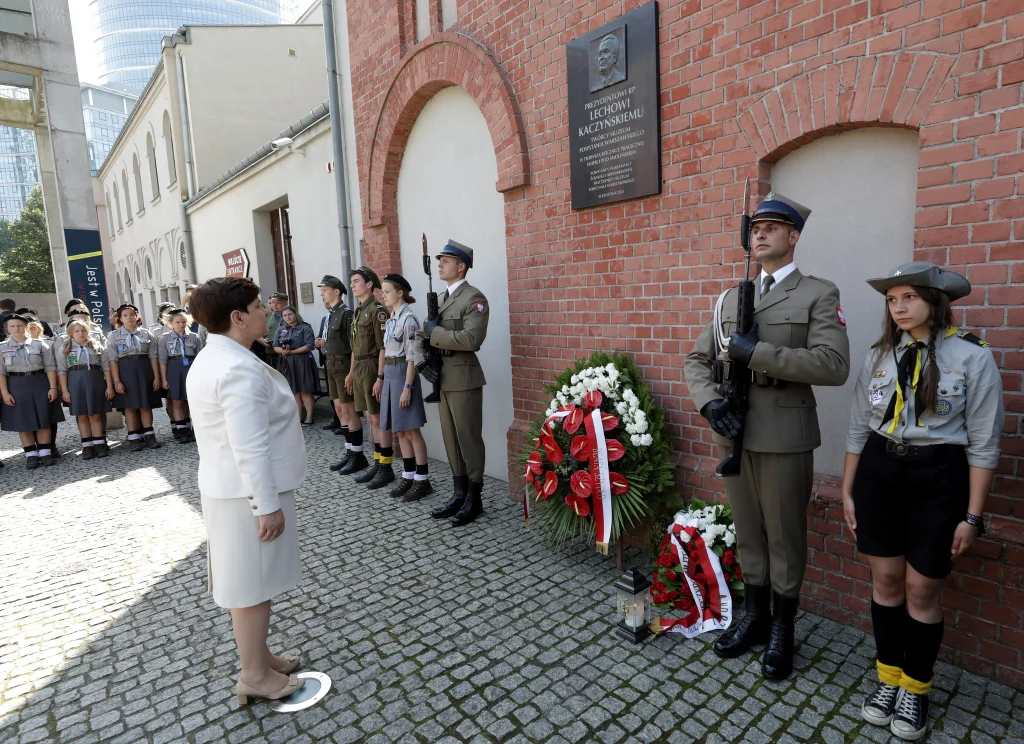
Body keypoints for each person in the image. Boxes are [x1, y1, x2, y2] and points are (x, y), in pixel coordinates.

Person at [683, 193, 851, 680]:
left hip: (784, 434)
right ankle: (755, 617)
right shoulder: (731, 297)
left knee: (784, 537)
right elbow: (697, 359)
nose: (760, 234)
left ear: (793, 237)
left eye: (772, 227)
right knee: (750, 532)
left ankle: (783, 630)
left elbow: (833, 365)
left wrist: (757, 353)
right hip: (734, 432)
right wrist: (710, 404)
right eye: (755, 227)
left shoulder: (817, 293)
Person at [842, 262, 1002, 741]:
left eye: (909, 297)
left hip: (939, 476)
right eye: (892, 300)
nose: (899, 307)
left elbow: (984, 441)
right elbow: (856, 426)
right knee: (886, 580)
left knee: (921, 590)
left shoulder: (971, 356)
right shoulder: (879, 356)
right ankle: (888, 679)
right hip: (879, 472)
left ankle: (916, 688)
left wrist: (972, 515)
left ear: (935, 301)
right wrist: (848, 491)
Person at [187, 277, 305, 706]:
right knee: (251, 587)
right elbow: (249, 445)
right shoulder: (236, 367)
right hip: (247, 496)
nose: (266, 312)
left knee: (254, 582)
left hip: (231, 492)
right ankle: (254, 674)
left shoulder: (216, 355)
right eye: (258, 306)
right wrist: (267, 506)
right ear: (237, 318)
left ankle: (260, 657)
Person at [420, 241, 490, 527]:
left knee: (468, 438)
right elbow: (426, 336)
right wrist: (425, 359)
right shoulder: (440, 298)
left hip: (463, 376)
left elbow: (472, 340)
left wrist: (434, 332)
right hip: (443, 377)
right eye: (440, 260)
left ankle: (475, 498)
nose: (440, 264)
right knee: (450, 438)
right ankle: (459, 493)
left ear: (461, 266)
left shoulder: (474, 298)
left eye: (446, 260)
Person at [379, 274, 432, 500]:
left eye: (387, 291)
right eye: (382, 292)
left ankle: (422, 480)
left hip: (403, 374)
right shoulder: (392, 318)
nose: (383, 295)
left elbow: (412, 357)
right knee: (399, 430)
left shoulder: (409, 319)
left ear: (400, 293)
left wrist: (408, 387)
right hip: (391, 374)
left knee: (411, 429)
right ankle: (408, 476)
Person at [342, 267, 393, 487]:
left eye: (356, 282)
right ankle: (377, 462)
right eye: (352, 282)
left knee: (378, 418)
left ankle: (386, 467)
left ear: (369, 284)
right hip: (360, 366)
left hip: (373, 365)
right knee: (370, 418)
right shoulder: (359, 310)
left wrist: (380, 377)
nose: (352, 286)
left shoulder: (377, 309)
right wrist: (351, 372)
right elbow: (355, 347)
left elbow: (383, 347)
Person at [0, 313, 64, 468]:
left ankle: (45, 453)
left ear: (26, 327)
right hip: (15, 384)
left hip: (39, 382)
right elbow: (1, 372)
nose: (17, 328)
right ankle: (31, 455)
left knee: (44, 419)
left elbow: (50, 367)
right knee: (23, 421)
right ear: (7, 329)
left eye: (20, 325)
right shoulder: (2, 348)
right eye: (12, 326)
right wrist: (5, 393)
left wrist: (53, 387)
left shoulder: (41, 345)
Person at [315, 276, 361, 470]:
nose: (321, 294)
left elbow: (354, 347)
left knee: (349, 409)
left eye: (325, 290)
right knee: (340, 409)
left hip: (343, 365)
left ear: (336, 291)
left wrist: (351, 372)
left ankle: (358, 455)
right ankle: (349, 450)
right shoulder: (331, 314)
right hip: (331, 365)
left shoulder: (346, 314)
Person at [107, 303, 163, 451]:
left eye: (132, 315)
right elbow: (112, 360)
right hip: (126, 372)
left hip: (144, 370)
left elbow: (153, 357)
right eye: (125, 315)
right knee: (130, 406)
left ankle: (149, 435)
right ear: (120, 318)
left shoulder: (146, 334)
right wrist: (117, 381)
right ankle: (134, 438)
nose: (129, 318)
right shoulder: (114, 336)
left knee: (145, 405)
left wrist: (157, 377)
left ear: (137, 316)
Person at [57, 319, 113, 459]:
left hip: (95, 382)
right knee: (81, 415)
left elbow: (106, 368)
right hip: (76, 384)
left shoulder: (97, 346)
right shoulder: (65, 349)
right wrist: (64, 391)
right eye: (77, 331)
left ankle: (99, 443)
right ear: (71, 333)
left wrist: (110, 386)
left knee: (95, 414)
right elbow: (62, 371)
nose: (80, 333)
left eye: (83, 330)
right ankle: (87, 445)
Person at [158, 308, 204, 443]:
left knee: (191, 401)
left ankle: (192, 429)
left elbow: (200, 357)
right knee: (177, 401)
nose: (181, 324)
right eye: (177, 322)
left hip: (191, 368)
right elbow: (162, 361)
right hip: (173, 369)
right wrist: (164, 379)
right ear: (171, 323)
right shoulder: (165, 339)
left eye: (184, 321)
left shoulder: (194, 337)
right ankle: (181, 431)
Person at [273, 306, 318, 426]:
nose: (288, 317)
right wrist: (282, 351)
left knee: (305, 390)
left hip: (302, 361)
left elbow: (309, 345)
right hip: (286, 363)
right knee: (294, 392)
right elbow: (275, 345)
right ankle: (298, 418)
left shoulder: (305, 327)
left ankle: (309, 417)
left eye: (290, 314)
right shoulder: (280, 329)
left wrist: (291, 352)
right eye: (285, 315)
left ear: (295, 314)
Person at [314, 293, 343, 434]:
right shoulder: (325, 318)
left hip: (340, 361)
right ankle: (336, 419)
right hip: (327, 359)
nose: (325, 301)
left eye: (326, 297)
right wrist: (317, 341)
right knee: (333, 395)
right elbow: (321, 335)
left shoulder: (343, 314)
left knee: (342, 396)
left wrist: (324, 342)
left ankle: (344, 424)